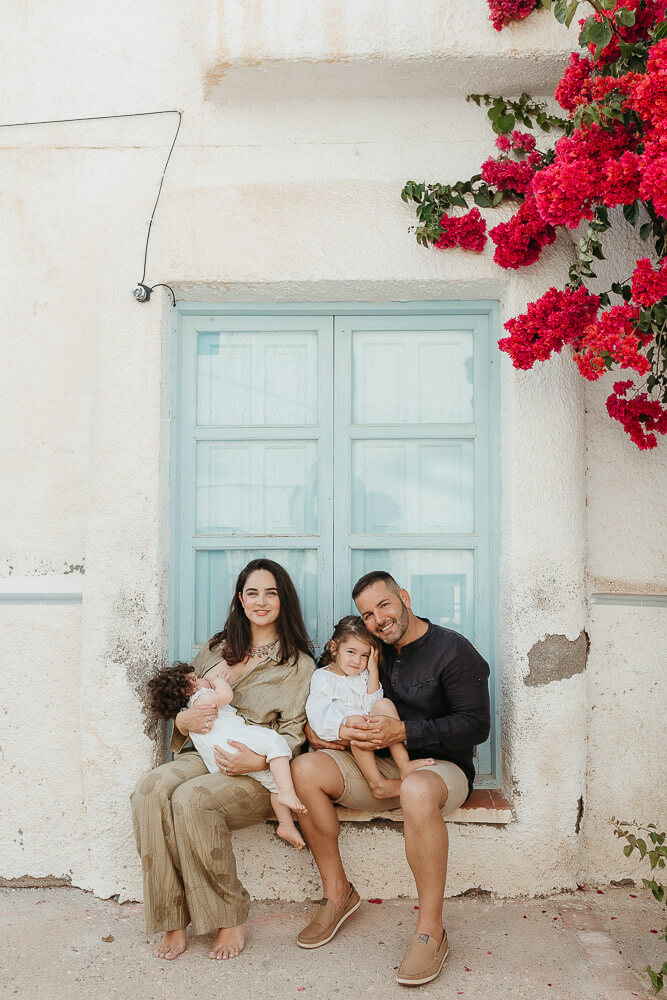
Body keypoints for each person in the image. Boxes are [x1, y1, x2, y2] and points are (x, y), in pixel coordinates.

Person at [292, 571, 490, 987]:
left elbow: (476, 726)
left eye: (383, 605)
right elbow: (338, 701)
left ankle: (431, 931)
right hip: (376, 768)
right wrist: (320, 733)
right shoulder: (369, 651)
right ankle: (337, 894)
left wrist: (406, 733)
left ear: (404, 597)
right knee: (304, 769)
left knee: (417, 788)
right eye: (367, 614)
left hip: (439, 768)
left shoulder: (452, 651)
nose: (378, 619)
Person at [131, 558, 315, 962]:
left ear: (283, 599)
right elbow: (182, 699)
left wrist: (255, 761)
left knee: (191, 799)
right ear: (240, 599)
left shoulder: (298, 664)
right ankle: (172, 918)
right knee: (149, 790)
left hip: (256, 768)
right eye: (252, 592)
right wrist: (182, 718)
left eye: (271, 592)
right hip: (204, 752)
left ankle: (229, 916)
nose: (261, 601)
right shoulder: (217, 648)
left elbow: (294, 732)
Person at [146, 661, 307, 848]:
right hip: (233, 744)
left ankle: (285, 824)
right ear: (189, 691)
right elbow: (225, 695)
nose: (202, 678)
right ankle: (288, 793)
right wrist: (218, 680)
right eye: (195, 679)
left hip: (221, 756)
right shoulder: (201, 698)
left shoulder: (191, 706)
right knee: (274, 741)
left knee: (272, 780)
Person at [305, 615, 434, 799]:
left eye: (364, 655)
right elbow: (319, 712)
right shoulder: (323, 677)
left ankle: (404, 765)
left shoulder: (363, 675)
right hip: (340, 736)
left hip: (369, 735)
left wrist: (373, 671)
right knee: (359, 724)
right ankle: (378, 784)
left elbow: (373, 703)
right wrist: (347, 723)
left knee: (384, 704)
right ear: (334, 648)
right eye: (351, 652)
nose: (357, 661)